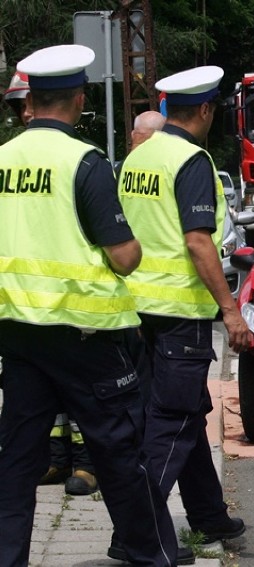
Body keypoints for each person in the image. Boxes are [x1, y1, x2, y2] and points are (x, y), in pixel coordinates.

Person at [0, 44, 181, 566]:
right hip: (85, 332)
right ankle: (149, 557)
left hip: (18, 333)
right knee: (119, 454)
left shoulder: (4, 160)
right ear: (79, 100)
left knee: (17, 460)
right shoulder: (85, 161)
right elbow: (123, 258)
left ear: (31, 101)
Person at [116, 65, 252, 552]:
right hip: (179, 313)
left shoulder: (139, 157)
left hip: (137, 310)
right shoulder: (191, 161)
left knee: (185, 413)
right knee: (170, 424)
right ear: (205, 109)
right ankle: (138, 535)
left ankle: (210, 517)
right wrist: (231, 310)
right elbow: (198, 243)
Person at [3, 70, 101, 497]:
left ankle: (84, 464)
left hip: (72, 310)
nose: (22, 112)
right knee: (43, 407)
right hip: (26, 311)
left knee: (79, 406)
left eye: (25, 103)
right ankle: (58, 458)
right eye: (14, 106)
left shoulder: (77, 159)